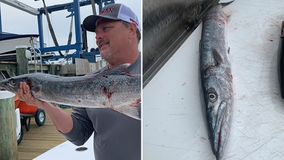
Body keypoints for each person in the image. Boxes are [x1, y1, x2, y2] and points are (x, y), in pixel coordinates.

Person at [17, 3, 141, 160]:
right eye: (96, 33)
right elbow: (78, 134)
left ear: (131, 30)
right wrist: (44, 103)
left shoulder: (156, 68)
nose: (98, 37)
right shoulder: (89, 82)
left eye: (106, 28)